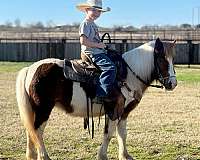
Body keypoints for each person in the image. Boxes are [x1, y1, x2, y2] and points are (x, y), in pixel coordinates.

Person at [76, 0, 124, 120]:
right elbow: (83, 42)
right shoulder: (86, 24)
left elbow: (94, 40)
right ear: (87, 10)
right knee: (110, 68)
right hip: (92, 53)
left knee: (118, 60)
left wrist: (103, 45)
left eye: (99, 11)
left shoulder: (93, 24)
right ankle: (100, 94)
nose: (97, 13)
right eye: (95, 10)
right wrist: (99, 46)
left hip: (98, 51)